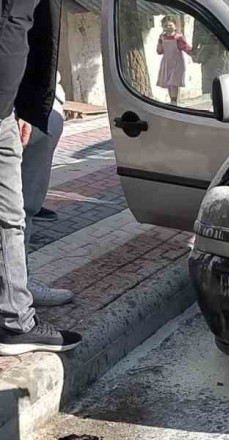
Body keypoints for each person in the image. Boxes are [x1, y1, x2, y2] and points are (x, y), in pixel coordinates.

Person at [0, 0, 82, 355]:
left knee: (14, 214)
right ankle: (15, 321)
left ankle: (16, 299)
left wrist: (22, 103)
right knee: (8, 217)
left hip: (13, 104)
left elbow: (26, 27)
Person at [21, 72, 74, 305]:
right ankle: (16, 289)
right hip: (21, 105)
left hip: (36, 101)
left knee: (24, 204)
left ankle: (18, 283)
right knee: (17, 207)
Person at [192, 21, 229, 95]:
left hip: (222, 53)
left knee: (222, 84)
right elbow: (196, 33)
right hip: (209, 54)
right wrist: (194, 51)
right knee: (211, 85)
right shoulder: (201, 18)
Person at [156, 15, 192, 105]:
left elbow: (184, 47)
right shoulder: (162, 37)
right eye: (165, 26)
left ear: (175, 26)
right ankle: (172, 100)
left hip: (177, 62)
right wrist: (159, 43)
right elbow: (159, 51)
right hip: (166, 62)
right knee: (168, 82)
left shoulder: (178, 37)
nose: (168, 28)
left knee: (174, 82)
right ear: (162, 27)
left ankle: (174, 101)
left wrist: (193, 53)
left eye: (170, 25)